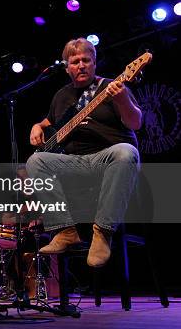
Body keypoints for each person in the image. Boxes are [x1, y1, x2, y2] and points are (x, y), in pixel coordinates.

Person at [26, 38, 142, 268]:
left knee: (126, 152)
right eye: (75, 61)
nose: (81, 65)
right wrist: (37, 126)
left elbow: (136, 122)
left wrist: (122, 99)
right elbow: (50, 121)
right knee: (36, 160)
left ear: (94, 63)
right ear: (67, 67)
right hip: (73, 165)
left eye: (86, 60)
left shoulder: (112, 87)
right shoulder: (61, 96)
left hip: (108, 159)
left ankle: (102, 232)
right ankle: (65, 231)